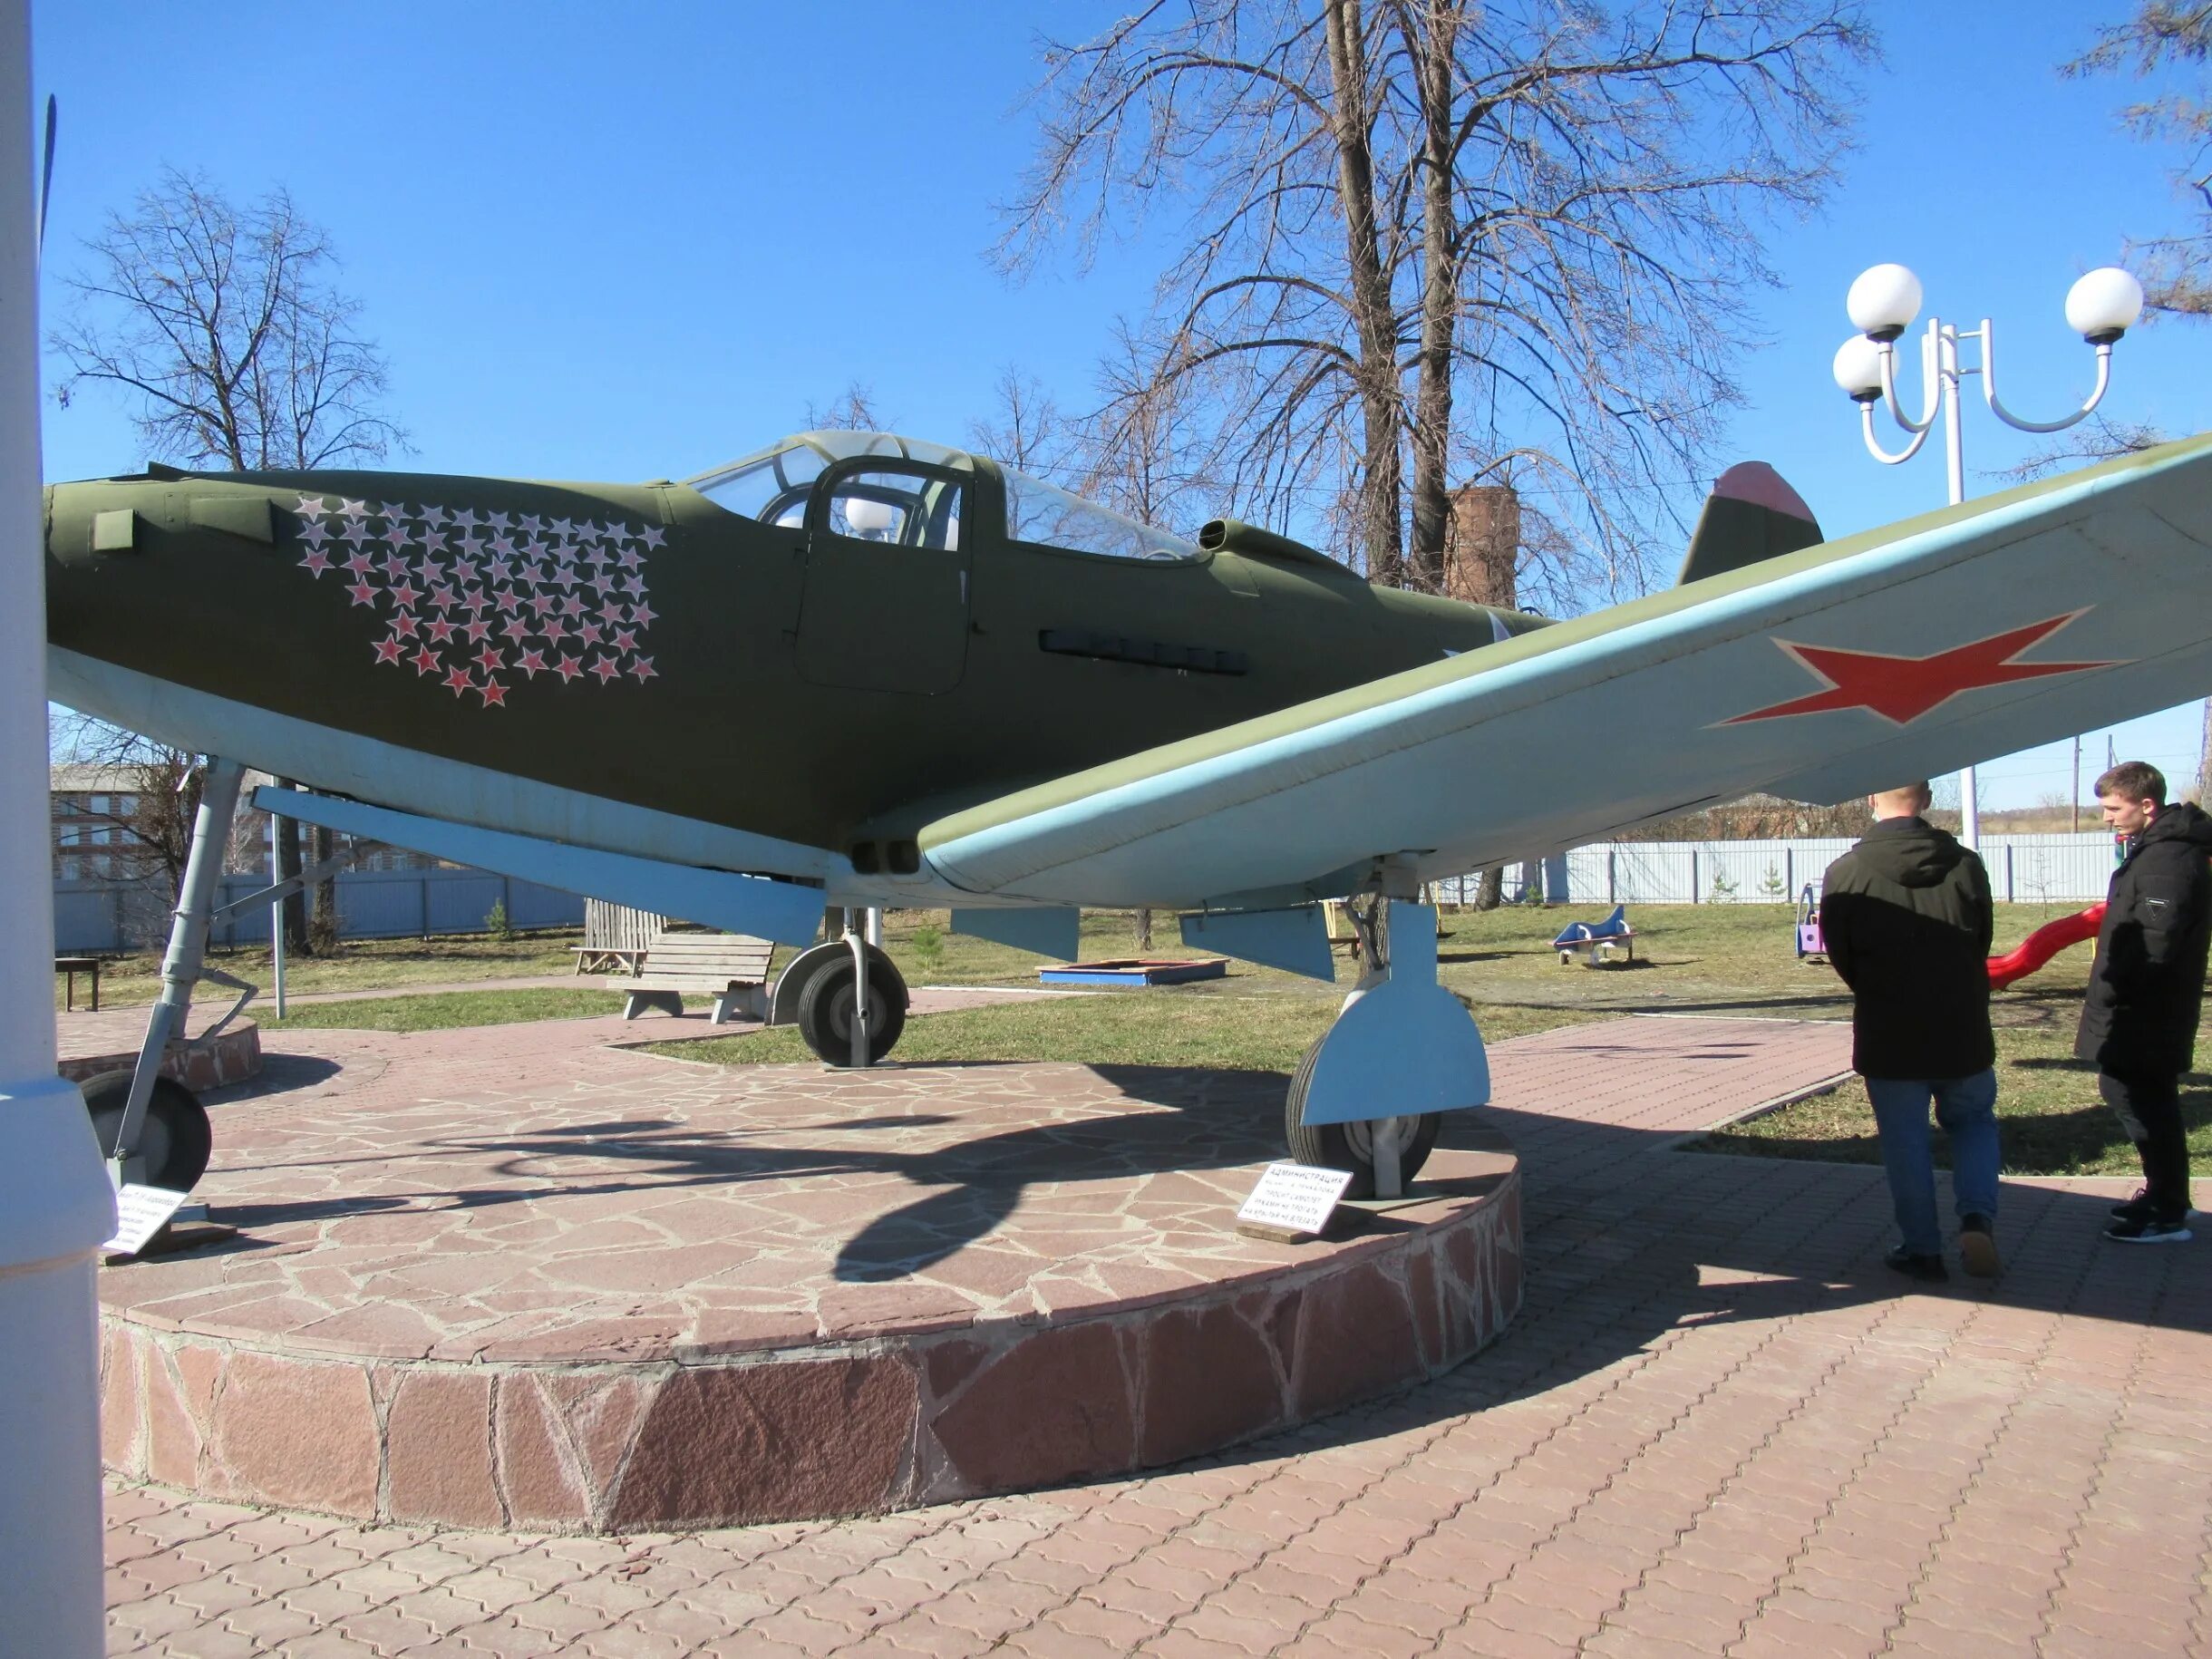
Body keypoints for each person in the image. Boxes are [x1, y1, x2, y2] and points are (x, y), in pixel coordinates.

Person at [1821, 781, 2001, 1282]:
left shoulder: (1846, 873)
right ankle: (1977, 1217)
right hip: (1961, 1025)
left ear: (1870, 799)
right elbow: (1981, 937)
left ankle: (1922, 1248)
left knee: (1905, 1143)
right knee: (1974, 1124)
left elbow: (1841, 951)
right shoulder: (1965, 864)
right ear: (1925, 800)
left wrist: (1878, 987)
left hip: (1889, 1028)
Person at [2077, 761, 2212, 1244]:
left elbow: (2157, 939)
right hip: (2146, 1005)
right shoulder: (2158, 850)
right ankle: (2167, 1195)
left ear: (2146, 804)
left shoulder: (2168, 859)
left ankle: (2167, 1209)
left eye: (2114, 808)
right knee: (2140, 1097)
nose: (2107, 817)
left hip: (2148, 1008)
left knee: (2136, 1096)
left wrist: (2118, 990)